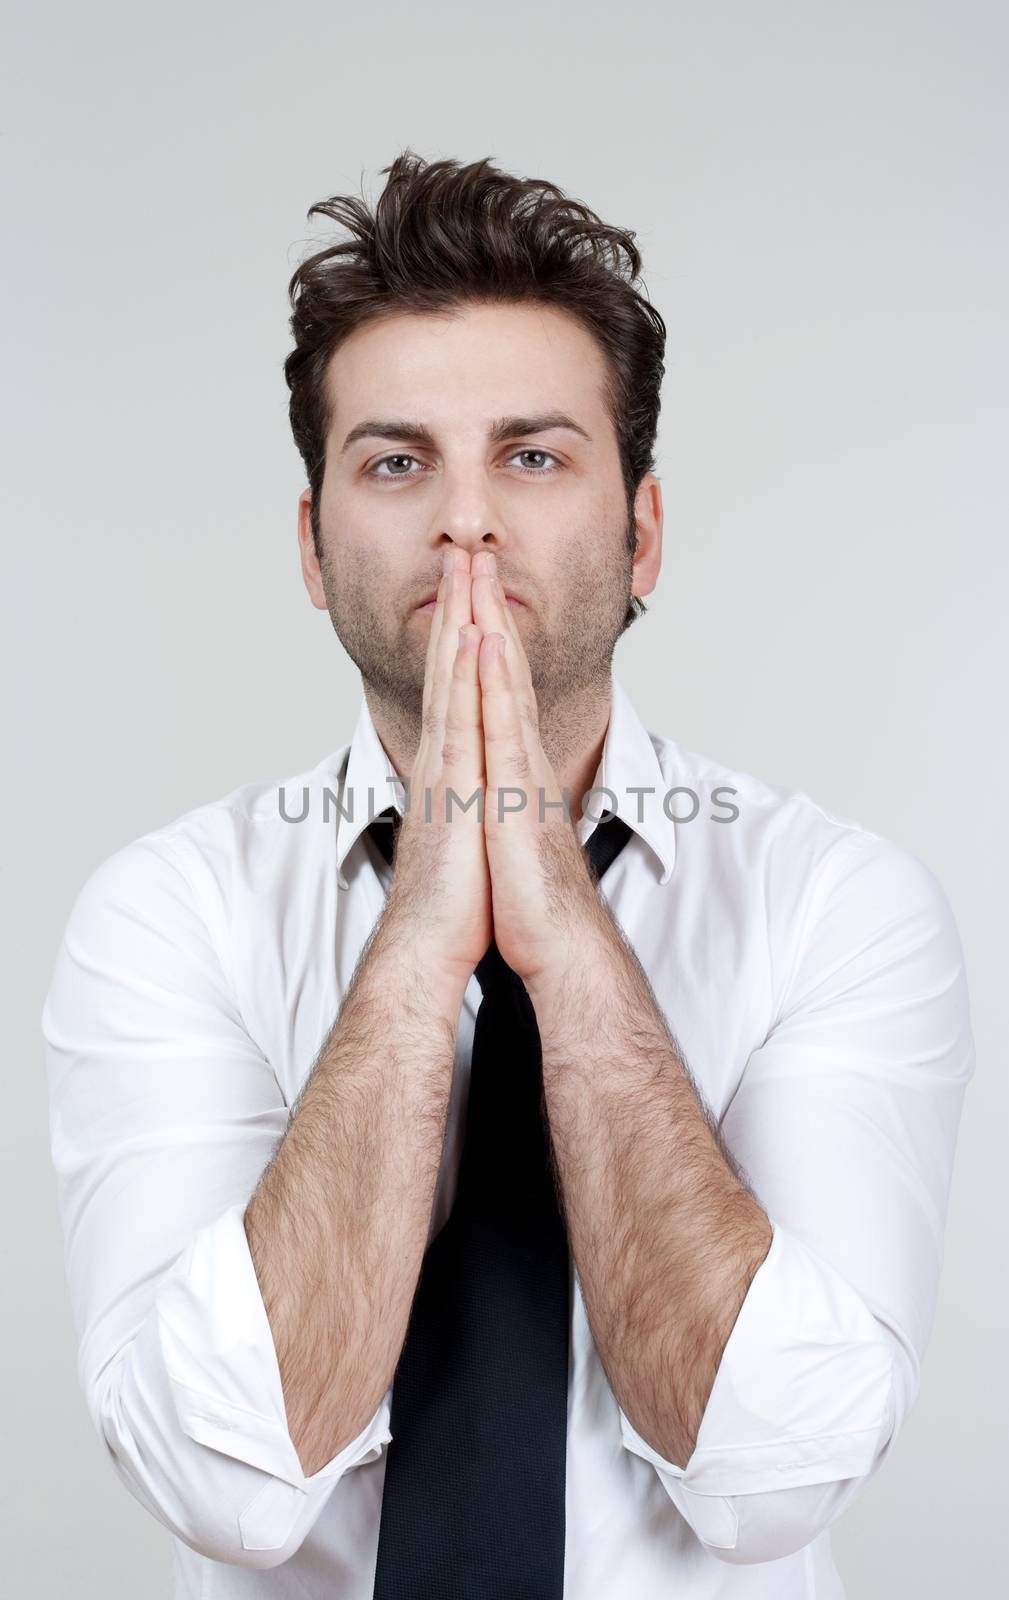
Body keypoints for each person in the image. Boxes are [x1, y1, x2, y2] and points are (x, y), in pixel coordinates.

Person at [43, 150, 975, 1599]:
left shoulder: (835, 904)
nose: (465, 521)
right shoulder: (167, 913)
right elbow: (229, 1487)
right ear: (310, 543)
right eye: (396, 460)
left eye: (531, 456)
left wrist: (562, 936)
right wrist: (424, 932)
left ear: (641, 528)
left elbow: (771, 1476)